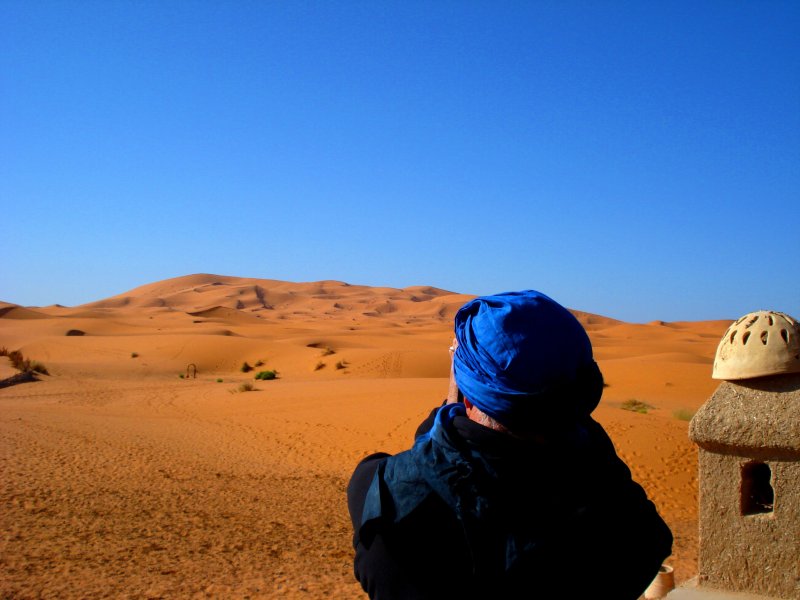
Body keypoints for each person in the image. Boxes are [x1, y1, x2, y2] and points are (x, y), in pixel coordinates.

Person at [347, 290, 673, 599]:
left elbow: (432, 459)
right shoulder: (612, 507)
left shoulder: (388, 503)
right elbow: (651, 540)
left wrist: (455, 391)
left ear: (470, 393)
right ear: (583, 393)